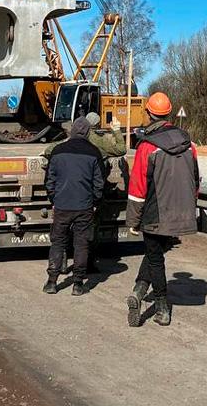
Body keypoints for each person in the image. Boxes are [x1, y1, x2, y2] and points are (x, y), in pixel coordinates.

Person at [126, 92, 199, 328]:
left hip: (155, 211)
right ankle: (138, 289)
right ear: (169, 113)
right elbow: (195, 179)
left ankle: (161, 308)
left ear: (148, 113)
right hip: (181, 210)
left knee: (155, 258)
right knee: (157, 251)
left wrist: (133, 220)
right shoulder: (189, 143)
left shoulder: (147, 146)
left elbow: (138, 188)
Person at [42, 112, 127, 274]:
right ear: (93, 127)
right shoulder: (99, 143)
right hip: (87, 198)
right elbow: (121, 149)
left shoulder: (64, 145)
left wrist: (53, 198)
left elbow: (49, 155)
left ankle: (58, 270)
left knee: (59, 238)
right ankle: (85, 270)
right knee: (86, 237)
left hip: (63, 199)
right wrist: (116, 130)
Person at [43, 116, 104, 296]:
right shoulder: (94, 152)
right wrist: (94, 202)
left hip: (62, 205)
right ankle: (78, 284)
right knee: (81, 244)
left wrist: (53, 199)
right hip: (84, 206)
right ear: (87, 132)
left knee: (58, 242)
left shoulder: (58, 150)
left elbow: (49, 180)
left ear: (71, 131)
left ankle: (52, 282)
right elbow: (99, 183)